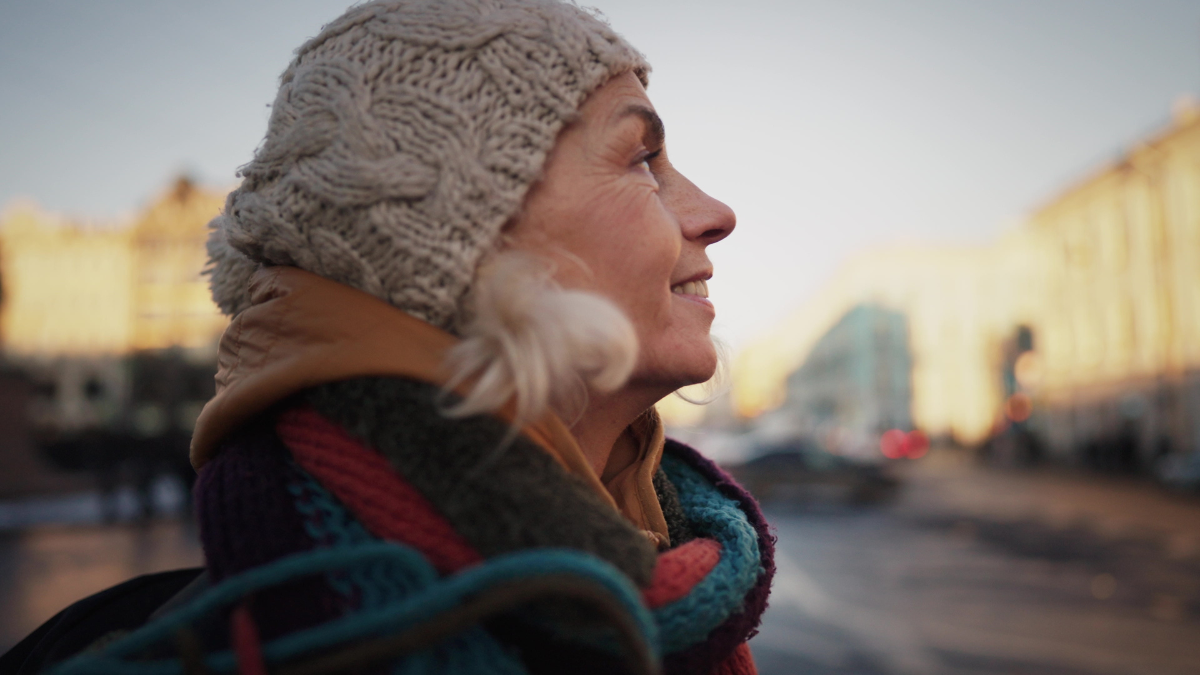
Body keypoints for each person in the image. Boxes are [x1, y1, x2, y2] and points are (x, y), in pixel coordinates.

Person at [2, 1, 774, 673]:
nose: (716, 211)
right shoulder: (192, 649)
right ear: (465, 235)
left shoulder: (683, 556)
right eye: (643, 157)